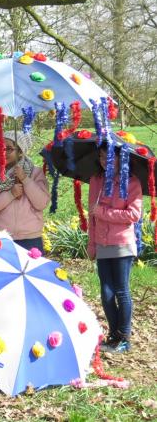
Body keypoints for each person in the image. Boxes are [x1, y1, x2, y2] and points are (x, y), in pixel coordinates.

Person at [88, 144, 142, 354]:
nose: (105, 161)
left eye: (109, 157)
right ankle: (113, 335)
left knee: (121, 290)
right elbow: (92, 217)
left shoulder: (131, 182)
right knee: (106, 293)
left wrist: (103, 212)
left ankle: (125, 338)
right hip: (102, 244)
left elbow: (133, 215)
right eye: (102, 157)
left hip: (122, 244)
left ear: (121, 159)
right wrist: (91, 244)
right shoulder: (96, 181)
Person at [0, 132, 49, 253]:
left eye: (9, 149)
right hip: (1, 238)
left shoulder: (35, 173)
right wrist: (10, 195)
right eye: (0, 148)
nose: (3, 152)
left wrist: (25, 179)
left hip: (30, 239)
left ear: (20, 151)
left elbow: (41, 203)